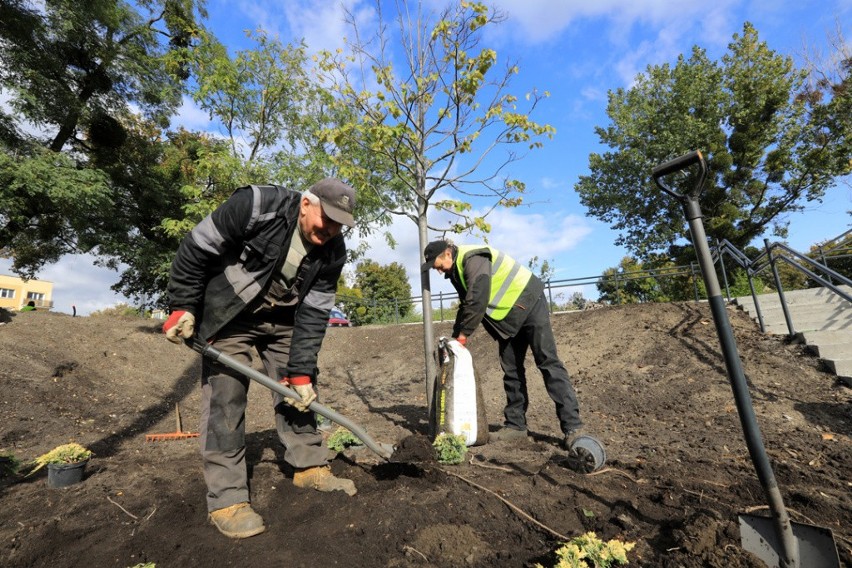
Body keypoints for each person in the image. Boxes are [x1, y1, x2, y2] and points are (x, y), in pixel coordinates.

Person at [163, 178, 358, 540]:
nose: (330, 231)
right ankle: (226, 499)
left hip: (285, 318)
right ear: (306, 204)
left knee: (300, 396)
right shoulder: (256, 206)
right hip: (231, 311)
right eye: (326, 219)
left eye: (339, 225)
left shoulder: (333, 251)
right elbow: (196, 247)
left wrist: (300, 373)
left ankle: (309, 467)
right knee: (226, 397)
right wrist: (183, 305)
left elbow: (315, 313)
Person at [421, 240, 587, 448]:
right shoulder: (455, 271)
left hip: (529, 303)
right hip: (508, 318)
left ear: (447, 253)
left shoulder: (473, 258)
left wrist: (464, 336)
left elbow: (478, 298)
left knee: (548, 363)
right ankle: (516, 426)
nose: (438, 271)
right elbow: (466, 305)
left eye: (437, 265)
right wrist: (455, 339)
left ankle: (573, 427)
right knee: (511, 370)